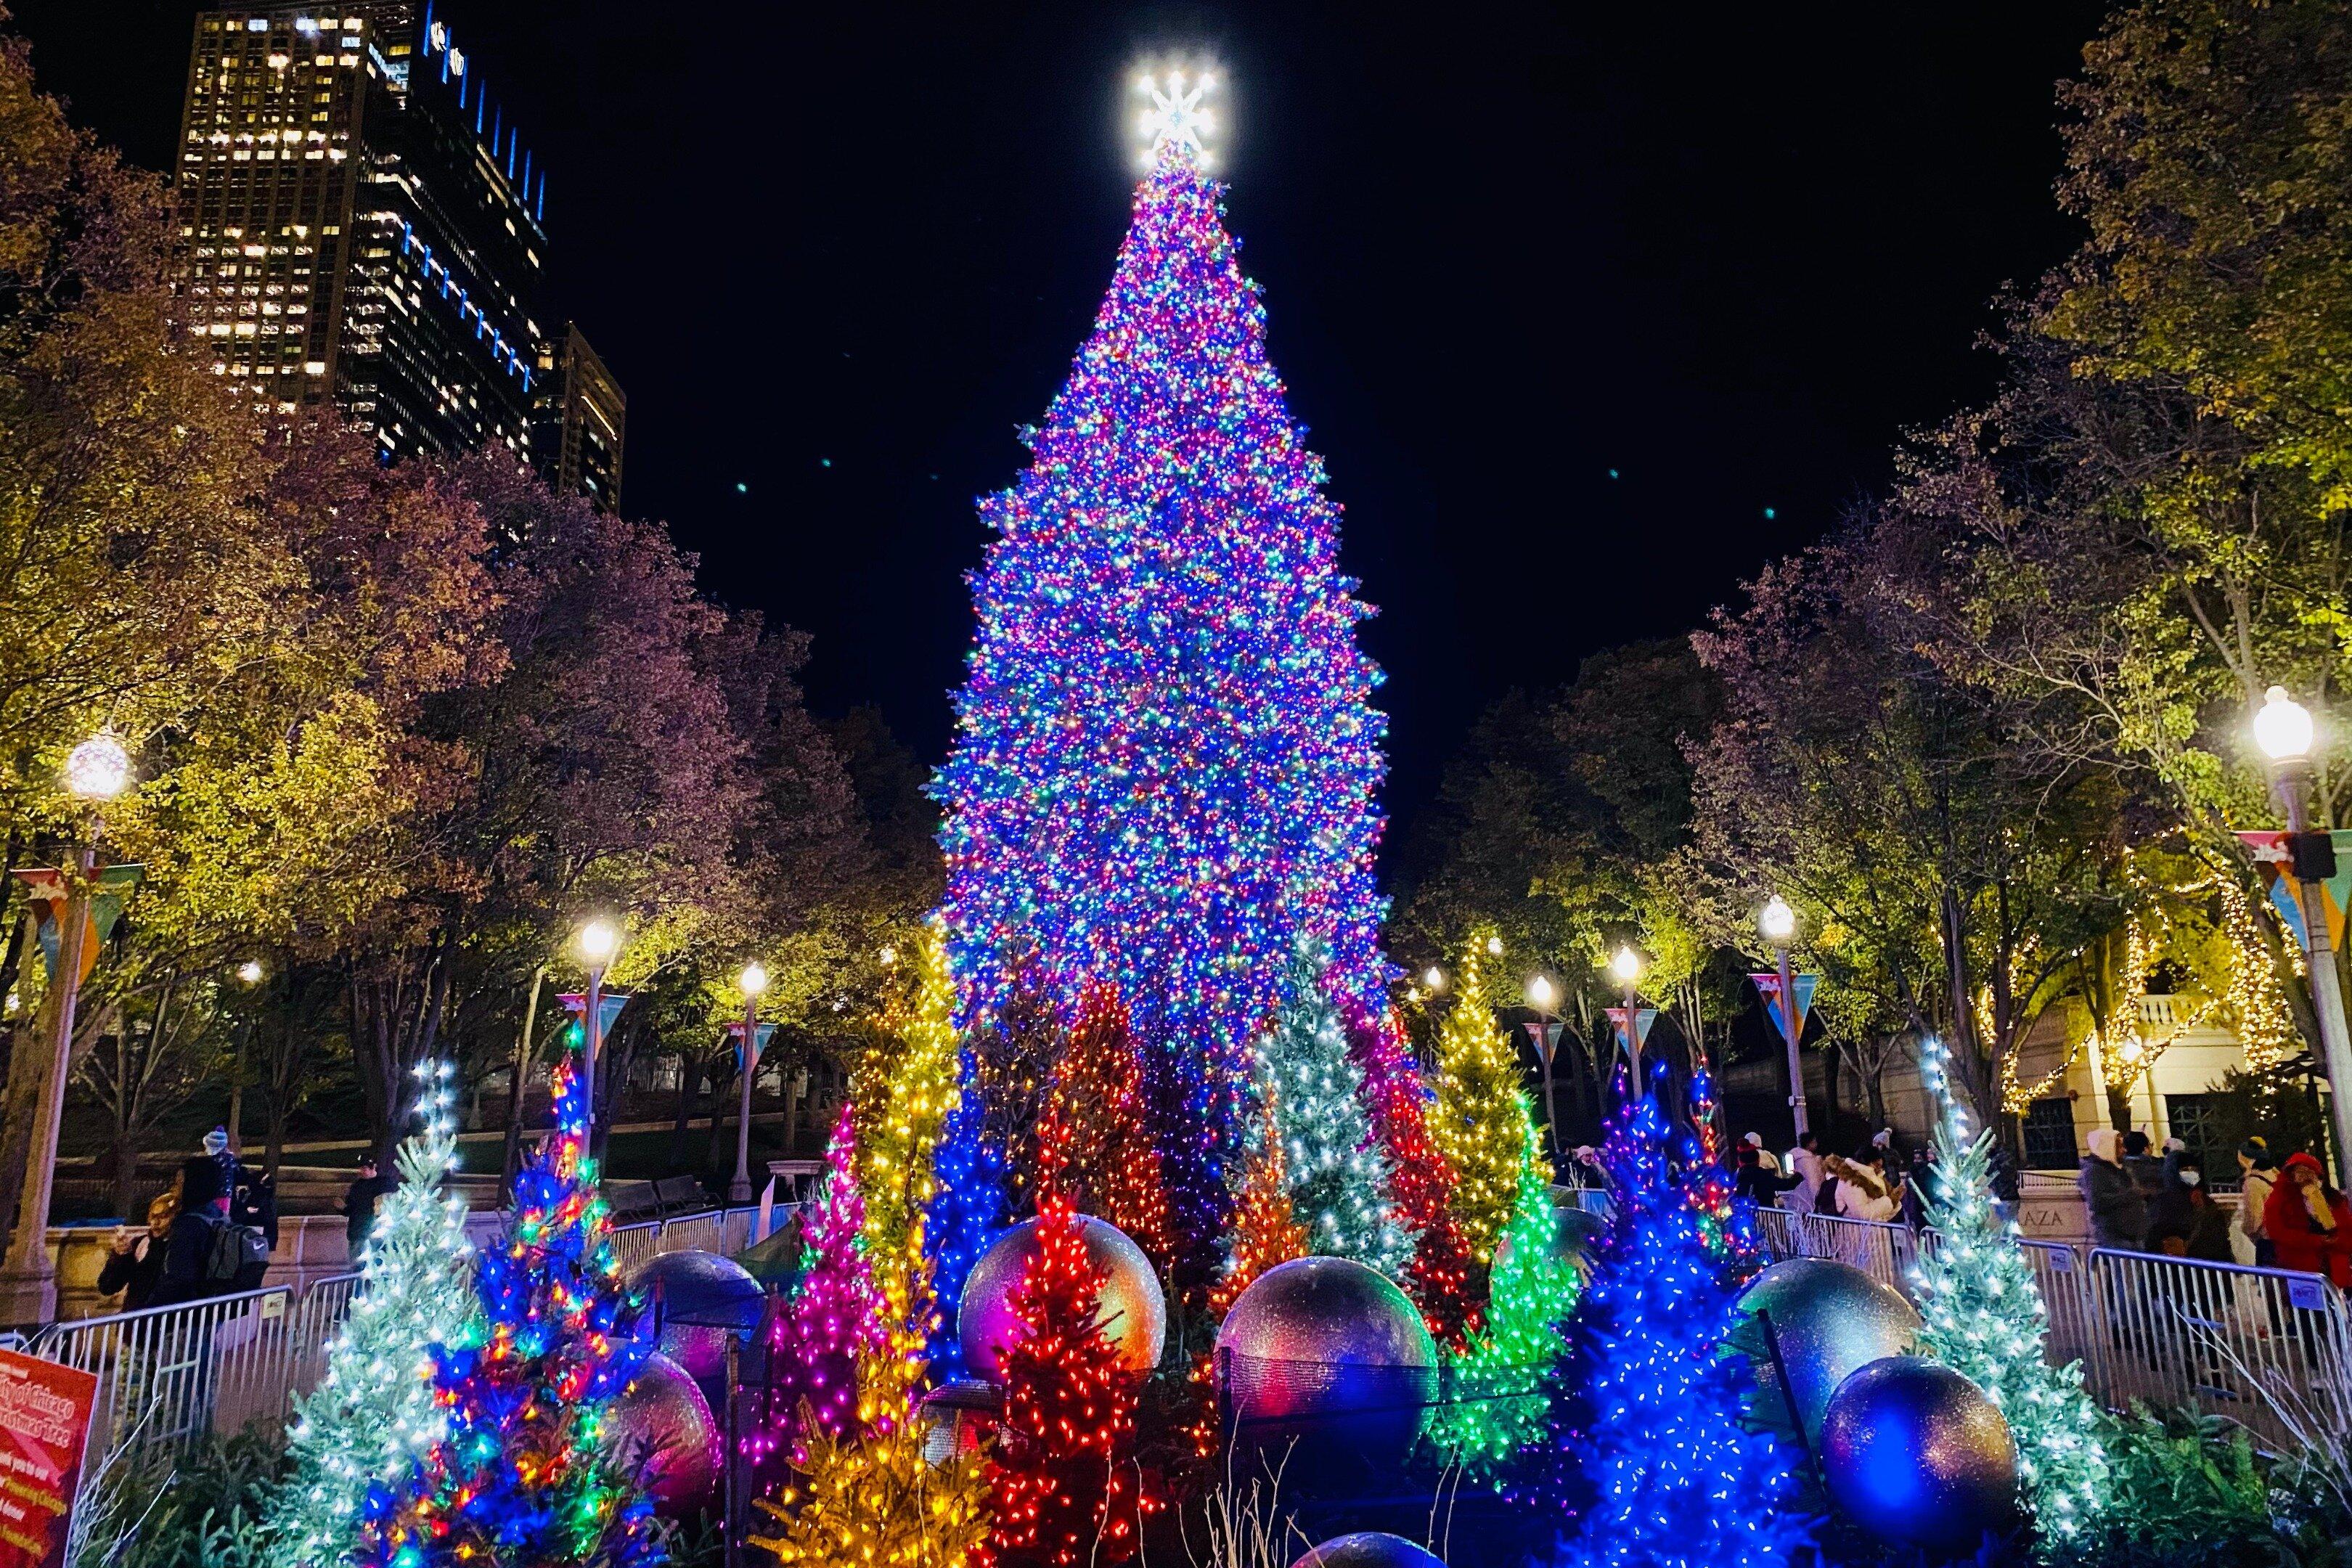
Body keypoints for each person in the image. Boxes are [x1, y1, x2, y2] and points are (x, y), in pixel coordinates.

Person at [152, 1156, 236, 1306]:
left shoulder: (189, 1225)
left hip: (184, 1313)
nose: (175, 1189)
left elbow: (177, 1276)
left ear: (193, 1185)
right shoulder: (220, 1217)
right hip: (210, 1307)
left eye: (180, 1183)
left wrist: (149, 1310)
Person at [2264, 1151, 2352, 1287]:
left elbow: (2347, 1230)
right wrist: (2316, 1241)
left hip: (2336, 1270)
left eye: (2308, 1172)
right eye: (2299, 1172)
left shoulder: (2334, 1199)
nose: (2304, 1177)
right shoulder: (2279, 1200)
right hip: (2300, 1270)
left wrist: (2336, 1240)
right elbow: (2277, 1231)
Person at [97, 1177, 182, 1311]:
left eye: (163, 1217)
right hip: (134, 1322)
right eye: (153, 1217)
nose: (155, 1223)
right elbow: (108, 1287)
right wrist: (120, 1256)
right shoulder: (140, 1244)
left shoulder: (178, 1248)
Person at [2143, 1154, 2233, 1263]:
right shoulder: (2165, 1203)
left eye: (2194, 1169)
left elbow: (2220, 1235)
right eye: (2185, 1170)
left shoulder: (2205, 1200)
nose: (2191, 1173)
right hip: (2184, 1267)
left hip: (2209, 1264)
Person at [2081, 1128, 2147, 1251]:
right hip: (2116, 1237)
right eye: (2120, 1146)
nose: (2124, 1150)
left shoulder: (2121, 1168)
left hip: (2134, 1235)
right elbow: (2098, 1202)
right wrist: (2131, 1195)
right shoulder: (2094, 1171)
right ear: (2107, 1147)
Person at [343, 1155, 399, 1259]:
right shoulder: (356, 1187)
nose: (363, 1170)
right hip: (358, 1233)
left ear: (374, 1167)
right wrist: (342, 1208)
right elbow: (350, 1209)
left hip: (379, 1234)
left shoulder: (385, 1183)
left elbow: (394, 1202)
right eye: (362, 1168)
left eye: (366, 1167)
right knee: (358, 1264)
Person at [2237, 1138, 2280, 1268]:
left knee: (2271, 1285)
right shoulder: (2276, 1175)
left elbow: (2254, 1221)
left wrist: (2245, 1230)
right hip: (2288, 1240)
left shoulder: (2253, 1183)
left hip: (2269, 1243)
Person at [1734, 1144, 1801, 1206]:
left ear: (1740, 1162)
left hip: (1743, 1215)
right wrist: (1799, 1174)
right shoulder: (1763, 1175)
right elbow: (1787, 1185)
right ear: (1758, 1160)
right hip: (1765, 1215)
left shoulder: (1737, 1178)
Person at [2120, 1130, 2166, 1206]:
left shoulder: (2119, 1167)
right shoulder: (2154, 1168)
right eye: (2150, 1144)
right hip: (2152, 1210)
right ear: (2145, 1149)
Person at [1786, 1131, 1826, 1217]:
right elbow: (1813, 1182)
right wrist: (1818, 1201)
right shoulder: (1808, 1161)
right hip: (1808, 1203)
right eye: (1814, 1142)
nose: (1816, 1144)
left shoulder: (1793, 1156)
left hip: (1795, 1201)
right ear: (1809, 1144)